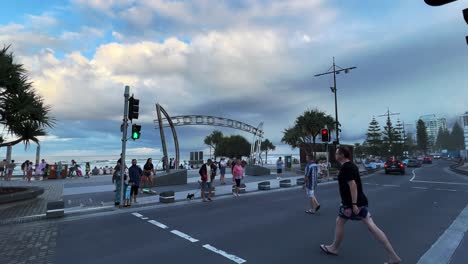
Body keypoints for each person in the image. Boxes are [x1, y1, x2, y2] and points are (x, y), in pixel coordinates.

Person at [320, 146, 401, 264]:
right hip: (358, 202)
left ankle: (334, 248)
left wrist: (353, 204)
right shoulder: (351, 166)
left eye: (337, 153)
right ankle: (393, 256)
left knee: (346, 222)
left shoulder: (346, 168)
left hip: (352, 204)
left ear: (342, 155)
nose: (335, 155)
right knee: (360, 224)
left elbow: (352, 185)